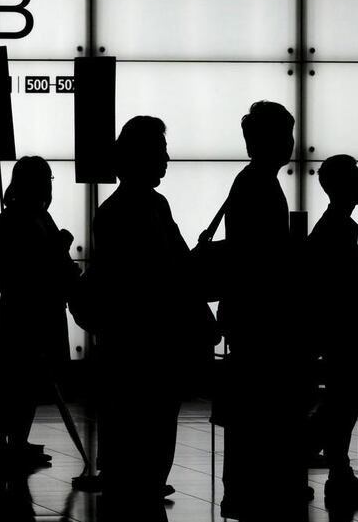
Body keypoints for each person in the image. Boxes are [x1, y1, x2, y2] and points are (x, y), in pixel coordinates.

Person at [91, 116, 215, 511]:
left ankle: (133, 485)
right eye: (160, 151)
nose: (166, 159)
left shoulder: (116, 211)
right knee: (154, 418)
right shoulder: (150, 208)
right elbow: (173, 268)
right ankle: (143, 484)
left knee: (137, 418)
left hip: (133, 338)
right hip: (149, 339)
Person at [217, 101, 307, 522]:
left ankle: (244, 490)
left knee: (250, 412)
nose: (290, 143)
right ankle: (256, 490)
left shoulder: (249, 182)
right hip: (263, 317)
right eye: (285, 135)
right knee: (262, 410)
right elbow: (263, 259)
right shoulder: (262, 186)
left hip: (247, 313)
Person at [0, 156, 79, 466]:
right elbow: (25, 270)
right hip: (29, 310)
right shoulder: (26, 219)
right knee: (21, 379)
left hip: (25, 308)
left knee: (22, 379)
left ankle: (11, 439)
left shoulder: (15, 219)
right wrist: (59, 252)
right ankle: (6, 440)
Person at [304, 155, 358, 510]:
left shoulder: (331, 225)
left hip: (333, 328)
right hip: (341, 329)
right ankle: (329, 467)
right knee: (341, 404)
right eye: (357, 178)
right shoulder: (339, 229)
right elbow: (342, 288)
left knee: (340, 402)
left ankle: (337, 471)